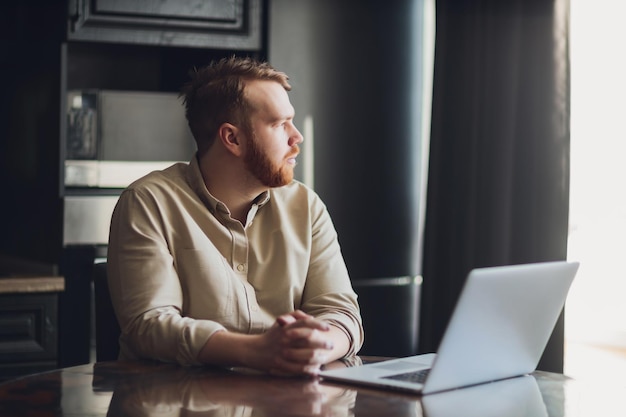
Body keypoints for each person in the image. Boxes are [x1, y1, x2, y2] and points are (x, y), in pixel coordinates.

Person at [107, 56, 364, 376]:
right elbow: (150, 325)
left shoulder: (306, 205)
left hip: (285, 400)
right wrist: (256, 351)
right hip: (171, 399)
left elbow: (341, 313)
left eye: (292, 121)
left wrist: (321, 343)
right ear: (232, 138)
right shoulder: (148, 202)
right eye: (278, 124)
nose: (296, 137)